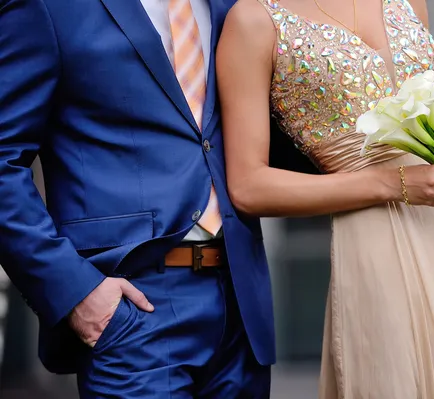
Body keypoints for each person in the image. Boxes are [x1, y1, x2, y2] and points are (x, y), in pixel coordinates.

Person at [216, 0, 434, 397]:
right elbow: (248, 187)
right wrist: (395, 183)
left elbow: (432, 145)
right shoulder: (253, 19)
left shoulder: (408, 2)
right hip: (375, 242)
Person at [0, 0, 274, 397]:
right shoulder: (49, 6)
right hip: (134, 306)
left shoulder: (235, 6)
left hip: (240, 305)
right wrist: (75, 291)